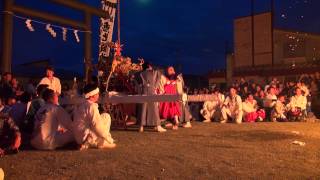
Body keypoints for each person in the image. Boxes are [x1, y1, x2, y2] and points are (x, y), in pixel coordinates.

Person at [73, 84, 116, 150]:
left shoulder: (81, 104)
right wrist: (108, 138)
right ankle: (101, 142)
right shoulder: (91, 106)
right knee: (105, 118)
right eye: (97, 94)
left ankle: (87, 143)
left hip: (78, 137)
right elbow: (97, 125)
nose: (98, 95)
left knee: (104, 116)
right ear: (92, 96)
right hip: (85, 136)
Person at [139, 63, 166, 133]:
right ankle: (157, 126)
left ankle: (141, 126)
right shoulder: (154, 72)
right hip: (151, 91)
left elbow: (141, 82)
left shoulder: (142, 73)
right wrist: (155, 87)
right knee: (154, 108)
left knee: (144, 108)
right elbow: (158, 78)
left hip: (145, 91)